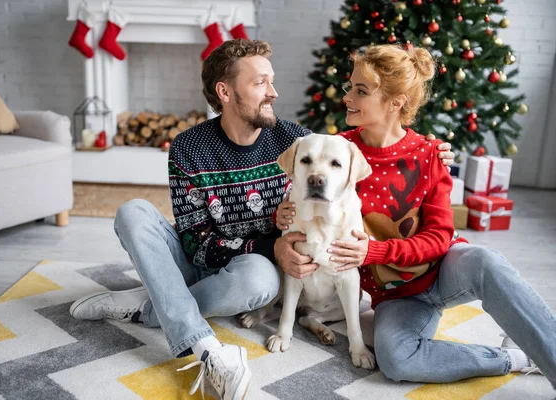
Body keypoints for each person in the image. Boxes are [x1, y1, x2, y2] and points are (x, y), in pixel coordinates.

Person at [68, 39, 454, 399]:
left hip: (247, 274)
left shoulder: (293, 139)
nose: (274, 92)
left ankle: (151, 302)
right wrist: (274, 244)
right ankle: (202, 344)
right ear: (225, 92)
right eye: (261, 82)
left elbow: (350, 154)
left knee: (260, 276)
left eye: (272, 81)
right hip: (199, 261)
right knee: (132, 211)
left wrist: (429, 150)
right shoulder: (189, 147)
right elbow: (192, 242)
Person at [277, 43, 556, 389]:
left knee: (485, 262)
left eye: (360, 90)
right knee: (395, 360)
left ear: (395, 103)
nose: (348, 96)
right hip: (395, 294)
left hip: (447, 268)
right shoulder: (338, 154)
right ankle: (512, 358)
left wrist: (375, 252)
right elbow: (304, 202)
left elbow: (440, 238)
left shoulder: (428, 154)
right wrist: (285, 229)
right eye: (350, 86)